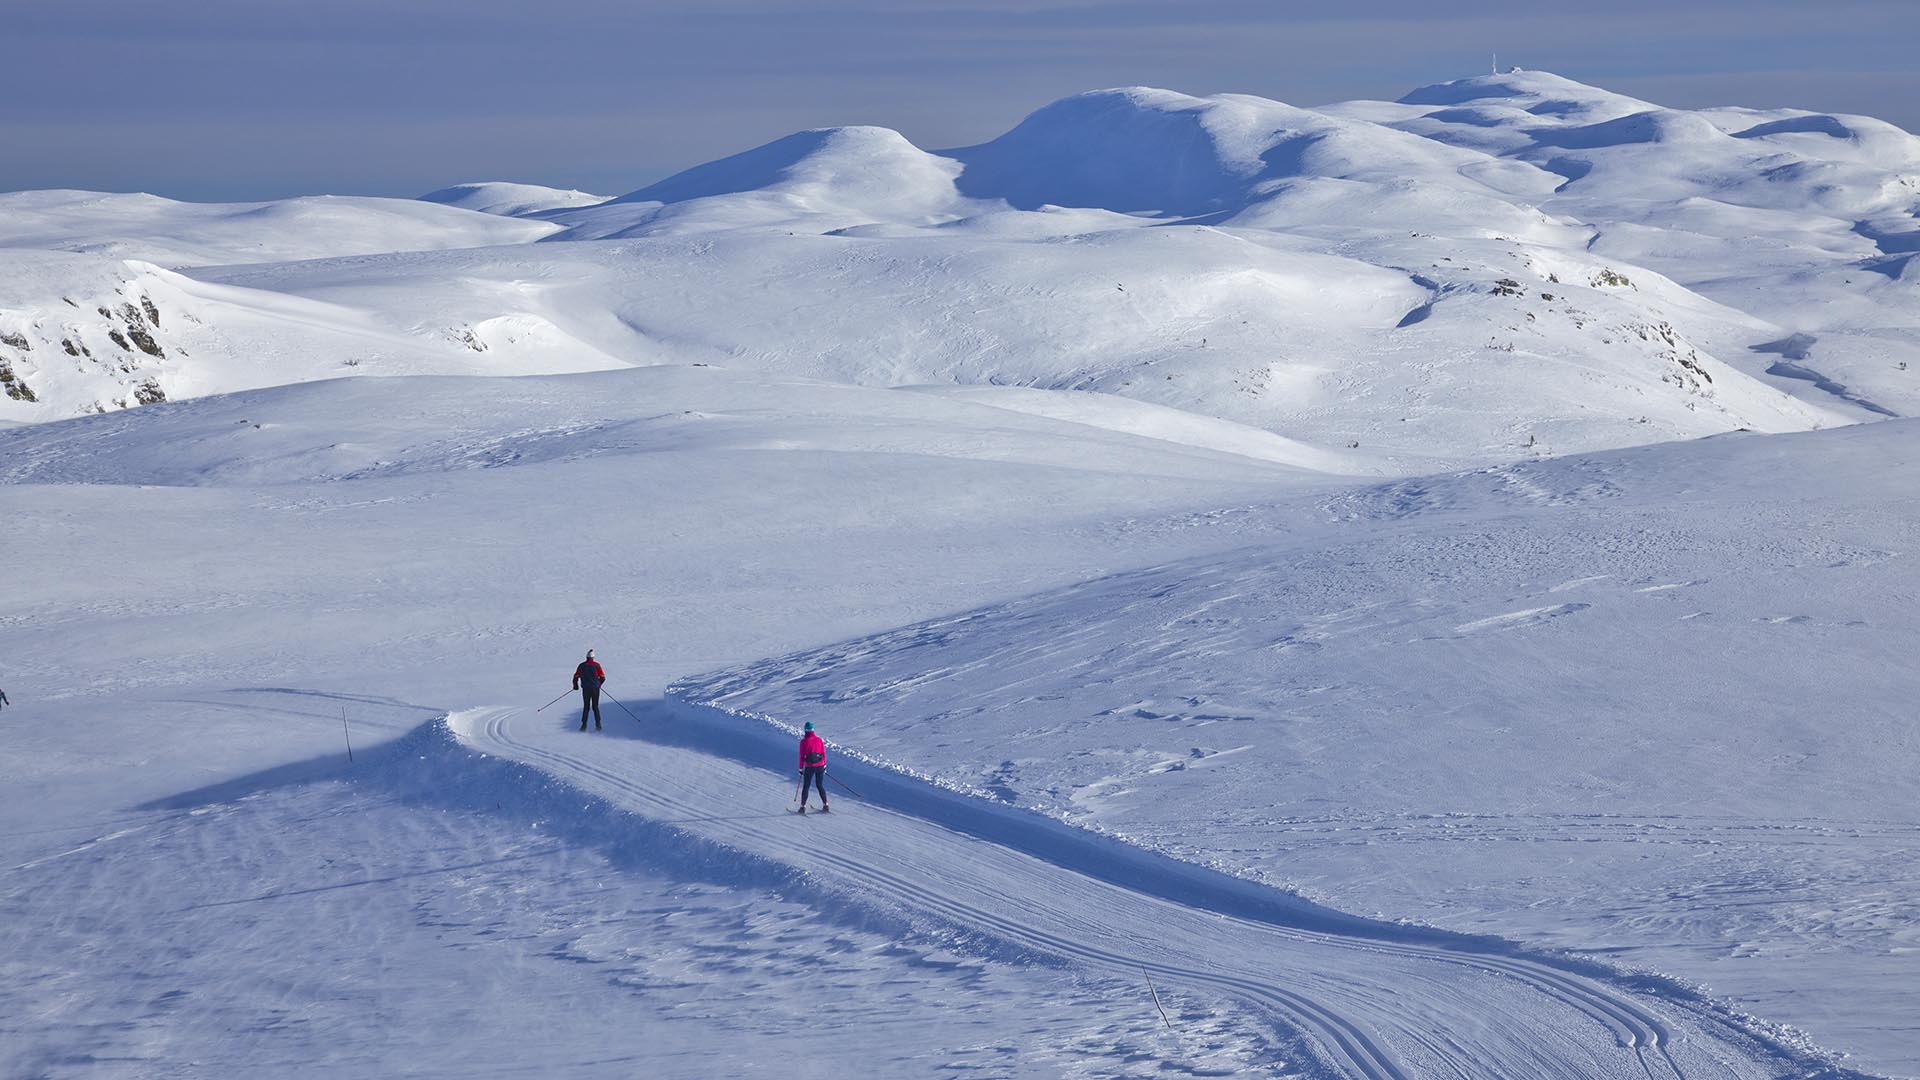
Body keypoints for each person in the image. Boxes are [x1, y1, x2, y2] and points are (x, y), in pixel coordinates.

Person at [797, 721, 829, 813]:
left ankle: (802, 807)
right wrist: (824, 765)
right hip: (820, 765)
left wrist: (800, 768)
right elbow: (823, 753)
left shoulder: (803, 742)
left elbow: (801, 756)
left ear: (805, 730)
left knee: (806, 786)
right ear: (813, 730)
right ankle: (826, 805)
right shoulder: (819, 740)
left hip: (809, 766)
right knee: (820, 785)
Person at [572, 650, 604, 732]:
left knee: (586, 707)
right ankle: (598, 725)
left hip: (586, 689)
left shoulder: (582, 665)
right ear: (593, 658)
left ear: (586, 657)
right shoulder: (597, 665)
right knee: (595, 706)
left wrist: (575, 686)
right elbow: (603, 677)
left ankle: (583, 726)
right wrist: (598, 685)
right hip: (595, 689)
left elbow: (575, 677)